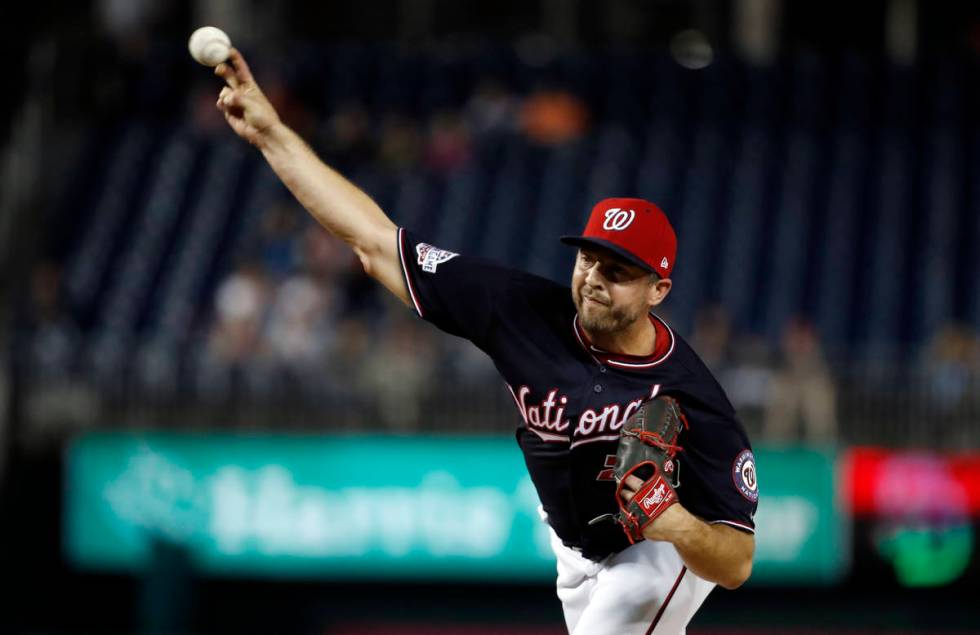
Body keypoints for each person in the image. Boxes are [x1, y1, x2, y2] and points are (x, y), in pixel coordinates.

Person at [213, 48, 757, 635]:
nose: (595, 280)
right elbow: (373, 242)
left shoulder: (689, 392)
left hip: (658, 552)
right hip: (575, 550)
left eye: (618, 272)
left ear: (659, 289)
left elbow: (735, 564)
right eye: (589, 260)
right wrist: (271, 135)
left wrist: (674, 523)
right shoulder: (518, 309)